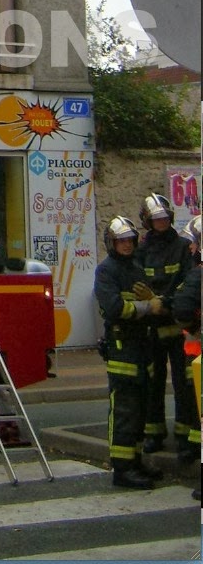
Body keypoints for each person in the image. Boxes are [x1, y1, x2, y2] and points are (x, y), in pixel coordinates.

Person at [93, 214, 166, 489]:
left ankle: (135, 461)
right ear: (111, 243)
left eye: (130, 240)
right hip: (122, 348)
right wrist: (147, 307)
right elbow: (114, 308)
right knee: (124, 410)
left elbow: (149, 300)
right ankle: (122, 470)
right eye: (121, 240)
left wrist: (154, 301)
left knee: (140, 410)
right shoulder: (106, 270)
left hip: (142, 347)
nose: (126, 244)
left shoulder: (136, 266)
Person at [135, 192, 196, 456]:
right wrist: (150, 303)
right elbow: (137, 281)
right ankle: (154, 433)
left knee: (184, 383)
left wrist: (165, 301)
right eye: (156, 219)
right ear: (147, 221)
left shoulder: (182, 247)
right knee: (153, 381)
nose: (161, 222)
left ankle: (184, 435)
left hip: (178, 324)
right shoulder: (141, 250)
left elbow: (187, 281)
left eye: (164, 218)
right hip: (152, 326)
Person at [170, 214, 201, 487]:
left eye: (194, 243)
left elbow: (182, 309)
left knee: (196, 408)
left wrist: (195, 326)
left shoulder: (197, 274)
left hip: (197, 354)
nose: (190, 248)